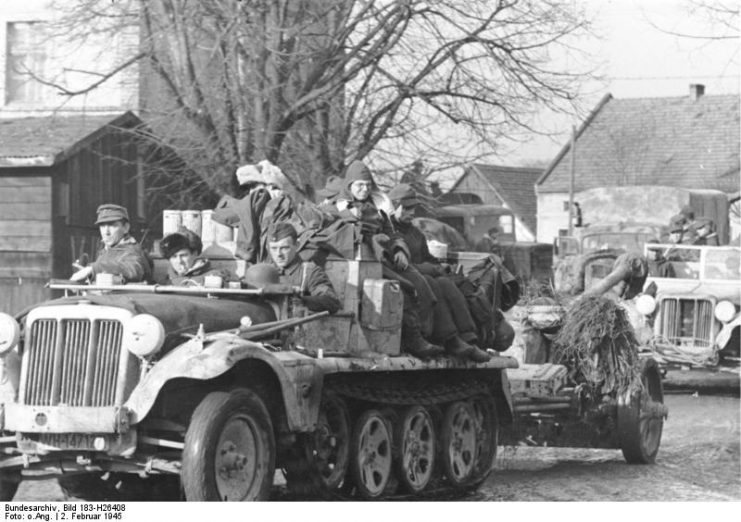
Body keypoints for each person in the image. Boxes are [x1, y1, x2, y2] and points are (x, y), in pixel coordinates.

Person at [335, 160, 444, 359]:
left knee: (420, 285)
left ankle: (422, 337)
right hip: (358, 263)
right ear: (349, 185)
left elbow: (391, 233)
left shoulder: (375, 208)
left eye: (368, 185)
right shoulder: (338, 207)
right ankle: (413, 340)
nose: (364, 189)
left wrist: (399, 249)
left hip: (381, 259)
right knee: (401, 288)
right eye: (359, 185)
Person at [388, 184, 490, 362]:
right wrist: (433, 269)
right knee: (433, 281)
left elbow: (428, 258)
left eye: (413, 208)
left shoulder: (415, 233)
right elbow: (402, 266)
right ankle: (450, 340)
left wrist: (442, 268)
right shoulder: (390, 233)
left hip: (423, 275)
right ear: (393, 206)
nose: (411, 213)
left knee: (446, 282)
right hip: (407, 279)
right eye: (405, 208)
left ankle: (467, 338)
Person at [265, 222, 340, 314]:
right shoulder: (264, 272)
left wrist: (302, 301)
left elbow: (331, 301)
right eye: (274, 248)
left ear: (297, 245)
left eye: (284, 248)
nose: (278, 254)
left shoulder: (309, 272)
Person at [70, 204, 151, 283]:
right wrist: (89, 273)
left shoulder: (132, 250)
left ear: (126, 228)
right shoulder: (108, 249)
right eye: (102, 226)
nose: (106, 232)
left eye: (112, 225)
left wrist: (93, 269)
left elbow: (133, 268)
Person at [159, 228, 237, 286]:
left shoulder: (213, 276)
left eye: (183, 255)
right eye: (173, 257)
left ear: (195, 254)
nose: (179, 261)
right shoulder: (168, 279)